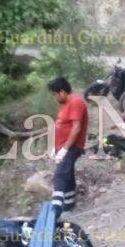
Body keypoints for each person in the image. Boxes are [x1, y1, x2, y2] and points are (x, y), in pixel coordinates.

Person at [48, 76, 88, 217]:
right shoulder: (66, 103)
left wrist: (65, 149)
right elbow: (63, 125)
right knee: (68, 173)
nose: (55, 97)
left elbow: (76, 128)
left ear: (62, 92)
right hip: (63, 145)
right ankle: (69, 205)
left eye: (55, 94)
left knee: (60, 174)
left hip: (72, 146)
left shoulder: (75, 101)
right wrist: (55, 147)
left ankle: (56, 209)